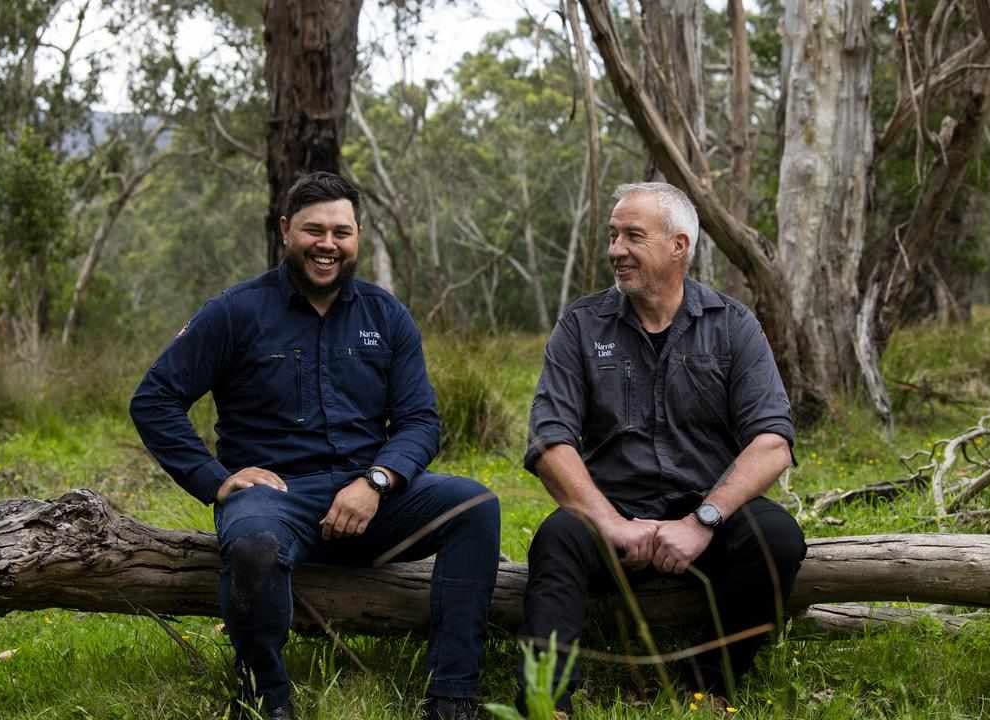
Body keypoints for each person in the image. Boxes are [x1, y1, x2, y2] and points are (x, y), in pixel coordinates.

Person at [130, 171, 499, 720]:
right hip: (277, 500)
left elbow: (421, 420)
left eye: (342, 232)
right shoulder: (235, 312)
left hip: (373, 499)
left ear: (358, 236)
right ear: (285, 230)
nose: (328, 245)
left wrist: (375, 482)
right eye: (314, 230)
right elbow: (154, 399)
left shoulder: (386, 316)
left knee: (476, 506)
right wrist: (216, 480)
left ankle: (451, 695)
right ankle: (265, 700)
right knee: (253, 544)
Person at [518, 182, 806, 713]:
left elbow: (773, 441)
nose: (615, 250)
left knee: (778, 539)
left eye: (632, 236)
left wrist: (703, 521)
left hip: (705, 515)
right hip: (613, 512)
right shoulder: (581, 325)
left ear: (679, 246)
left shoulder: (731, 324)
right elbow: (548, 440)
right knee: (557, 541)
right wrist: (610, 524)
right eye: (612, 236)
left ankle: (708, 683)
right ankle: (546, 700)